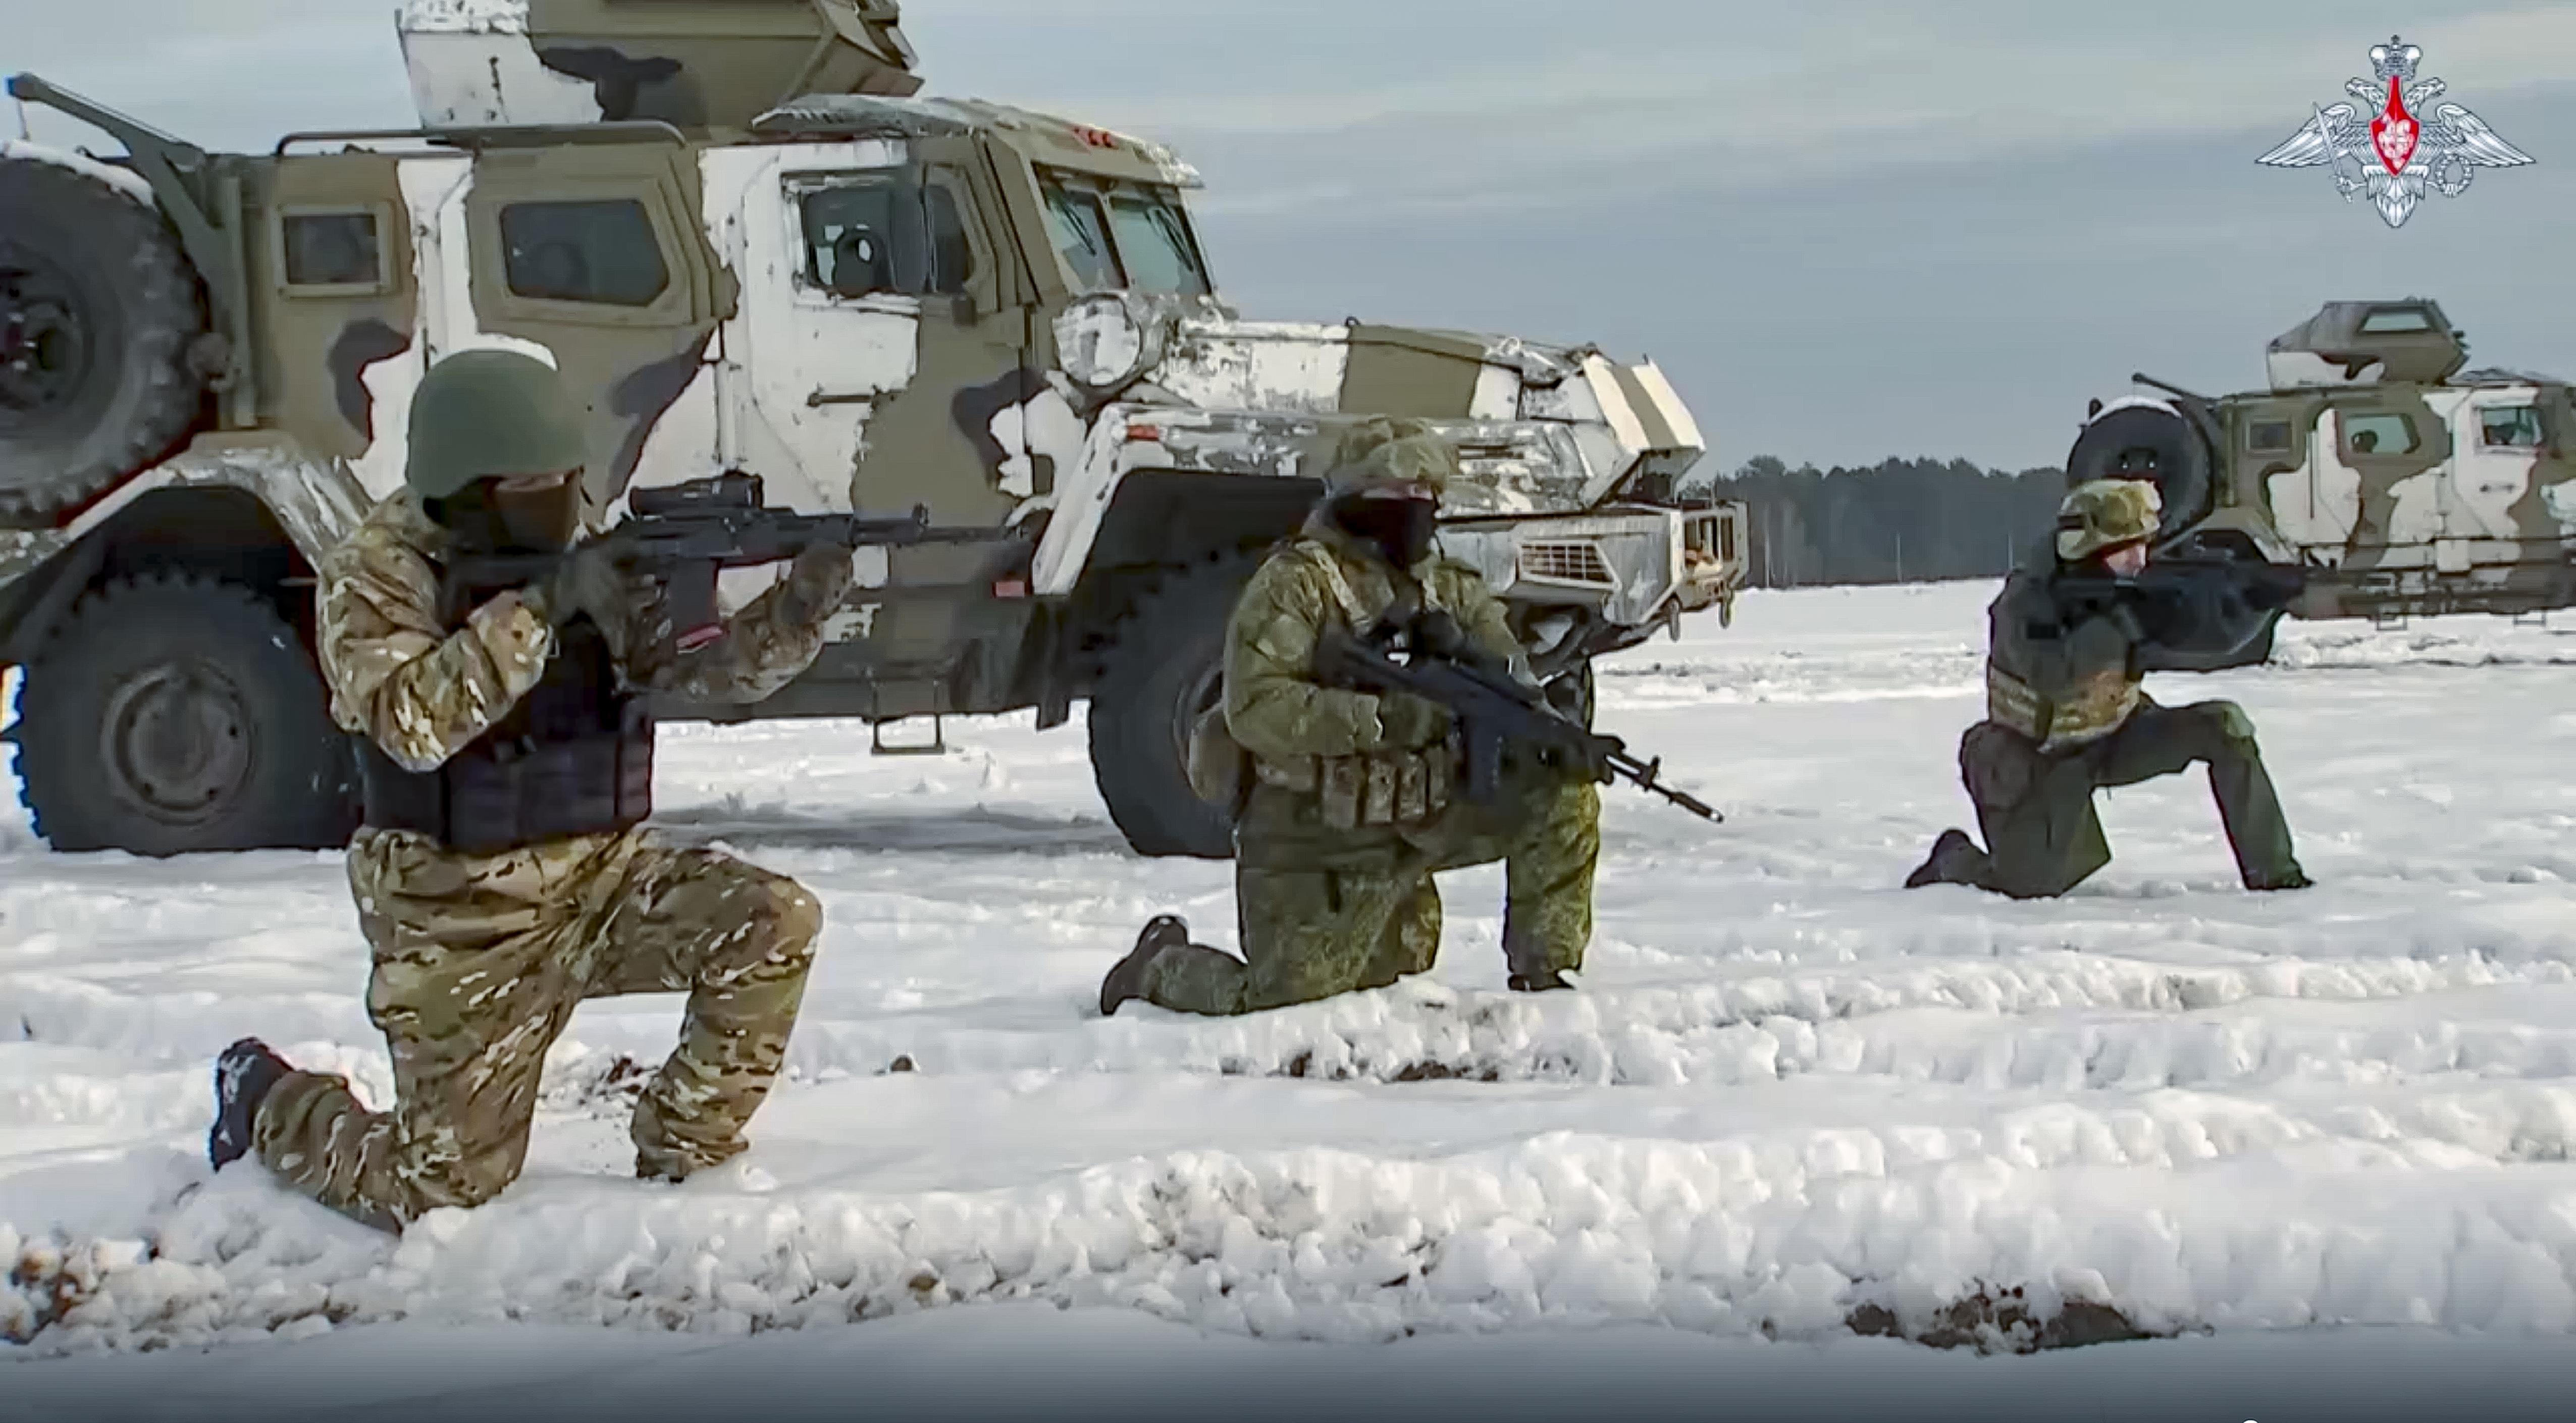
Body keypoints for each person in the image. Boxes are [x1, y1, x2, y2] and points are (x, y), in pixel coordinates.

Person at [204, 348, 856, 1231]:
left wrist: (795, 612)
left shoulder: (575, 552)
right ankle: (268, 1100)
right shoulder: (376, 572)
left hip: (602, 877)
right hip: (460, 915)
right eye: (531, 483)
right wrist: (541, 610)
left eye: (566, 479)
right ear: (465, 485)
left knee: (775, 919)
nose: (558, 499)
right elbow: (410, 722)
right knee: (439, 1190)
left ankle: (684, 1149)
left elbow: (701, 671)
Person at [1096, 418, 1601, 1017]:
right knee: (1281, 1001)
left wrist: (1556, 734)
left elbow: (1509, 681)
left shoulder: (1450, 590)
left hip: (1422, 811)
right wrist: (1385, 720)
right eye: (1399, 499)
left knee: (1563, 793)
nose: (1418, 513)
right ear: (1353, 500)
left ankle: (1544, 977)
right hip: (1312, 826)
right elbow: (1257, 707)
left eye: (1427, 499)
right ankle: (1155, 966)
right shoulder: (1297, 585)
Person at [1905, 478, 2310, 899]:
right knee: (2028, 889)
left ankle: (2275, 875)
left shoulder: (2127, 589)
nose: (2140, 560)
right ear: (2088, 550)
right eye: (2126, 550)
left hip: (2115, 733)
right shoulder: (2026, 603)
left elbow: (2206, 647)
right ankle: (1953, 860)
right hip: (2037, 756)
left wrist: (2251, 604)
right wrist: (2120, 625)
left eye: (2144, 545)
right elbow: (2052, 674)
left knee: (2225, 726)